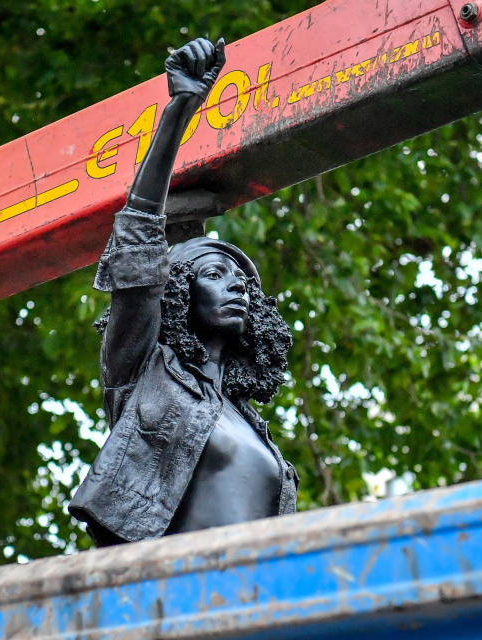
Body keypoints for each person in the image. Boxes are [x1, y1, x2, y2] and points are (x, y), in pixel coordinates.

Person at [69, 38, 297, 547]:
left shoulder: (255, 427)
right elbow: (139, 241)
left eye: (243, 281)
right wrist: (181, 109)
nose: (236, 283)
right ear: (178, 297)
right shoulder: (144, 375)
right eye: (215, 273)